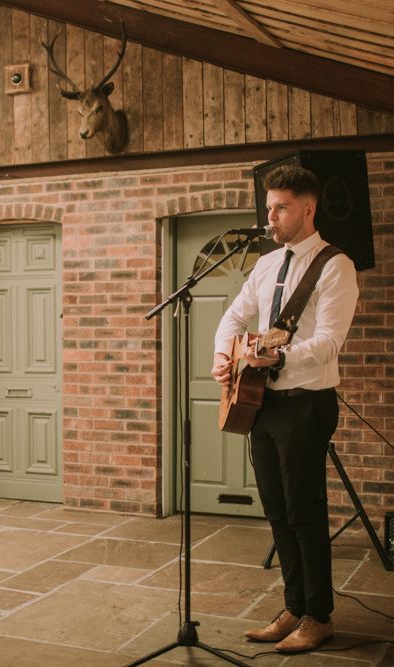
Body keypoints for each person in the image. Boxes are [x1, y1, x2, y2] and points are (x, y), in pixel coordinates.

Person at [211, 165, 359, 653]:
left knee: (304, 512)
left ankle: (319, 616)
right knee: (275, 511)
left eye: (281, 207)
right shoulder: (266, 263)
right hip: (265, 402)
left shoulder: (335, 265)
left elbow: (329, 342)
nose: (270, 216)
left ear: (308, 208)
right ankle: (294, 606)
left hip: (307, 404)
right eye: (268, 207)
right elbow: (235, 314)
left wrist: (279, 356)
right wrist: (224, 353)